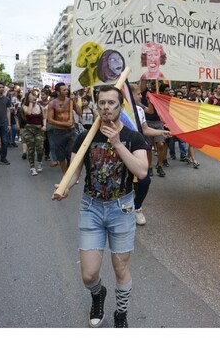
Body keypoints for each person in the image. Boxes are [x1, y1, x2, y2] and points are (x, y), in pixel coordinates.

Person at [52, 85, 149, 328]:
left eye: (111, 103)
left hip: (122, 209)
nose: (106, 107)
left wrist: (117, 143)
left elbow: (142, 171)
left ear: (120, 106)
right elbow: (74, 173)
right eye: (102, 103)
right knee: (88, 274)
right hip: (91, 208)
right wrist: (66, 187)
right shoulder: (84, 137)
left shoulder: (133, 137)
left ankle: (121, 314)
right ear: (97, 105)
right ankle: (98, 295)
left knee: (120, 267)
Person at [130, 84, 172, 225]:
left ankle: (137, 207)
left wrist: (161, 132)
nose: (140, 96)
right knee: (127, 181)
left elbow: (145, 129)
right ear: (129, 95)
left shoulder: (140, 110)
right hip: (122, 150)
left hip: (137, 149)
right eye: (138, 94)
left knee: (144, 181)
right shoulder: (121, 110)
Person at [47, 83, 78, 174]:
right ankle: (65, 174)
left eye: (67, 89)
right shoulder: (52, 104)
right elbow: (50, 120)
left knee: (72, 153)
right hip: (59, 132)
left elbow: (79, 112)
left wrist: (74, 102)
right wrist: (64, 124)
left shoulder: (70, 101)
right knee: (61, 156)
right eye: (64, 90)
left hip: (71, 131)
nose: (67, 91)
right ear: (57, 92)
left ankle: (71, 173)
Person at [20, 91, 45, 176]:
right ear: (28, 97)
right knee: (31, 150)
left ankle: (40, 161)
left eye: (35, 96)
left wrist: (44, 125)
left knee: (40, 148)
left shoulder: (40, 107)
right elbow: (29, 113)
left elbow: (44, 117)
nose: (34, 97)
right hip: (29, 130)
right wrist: (30, 102)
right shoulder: (25, 106)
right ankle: (32, 167)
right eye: (32, 96)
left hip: (39, 130)